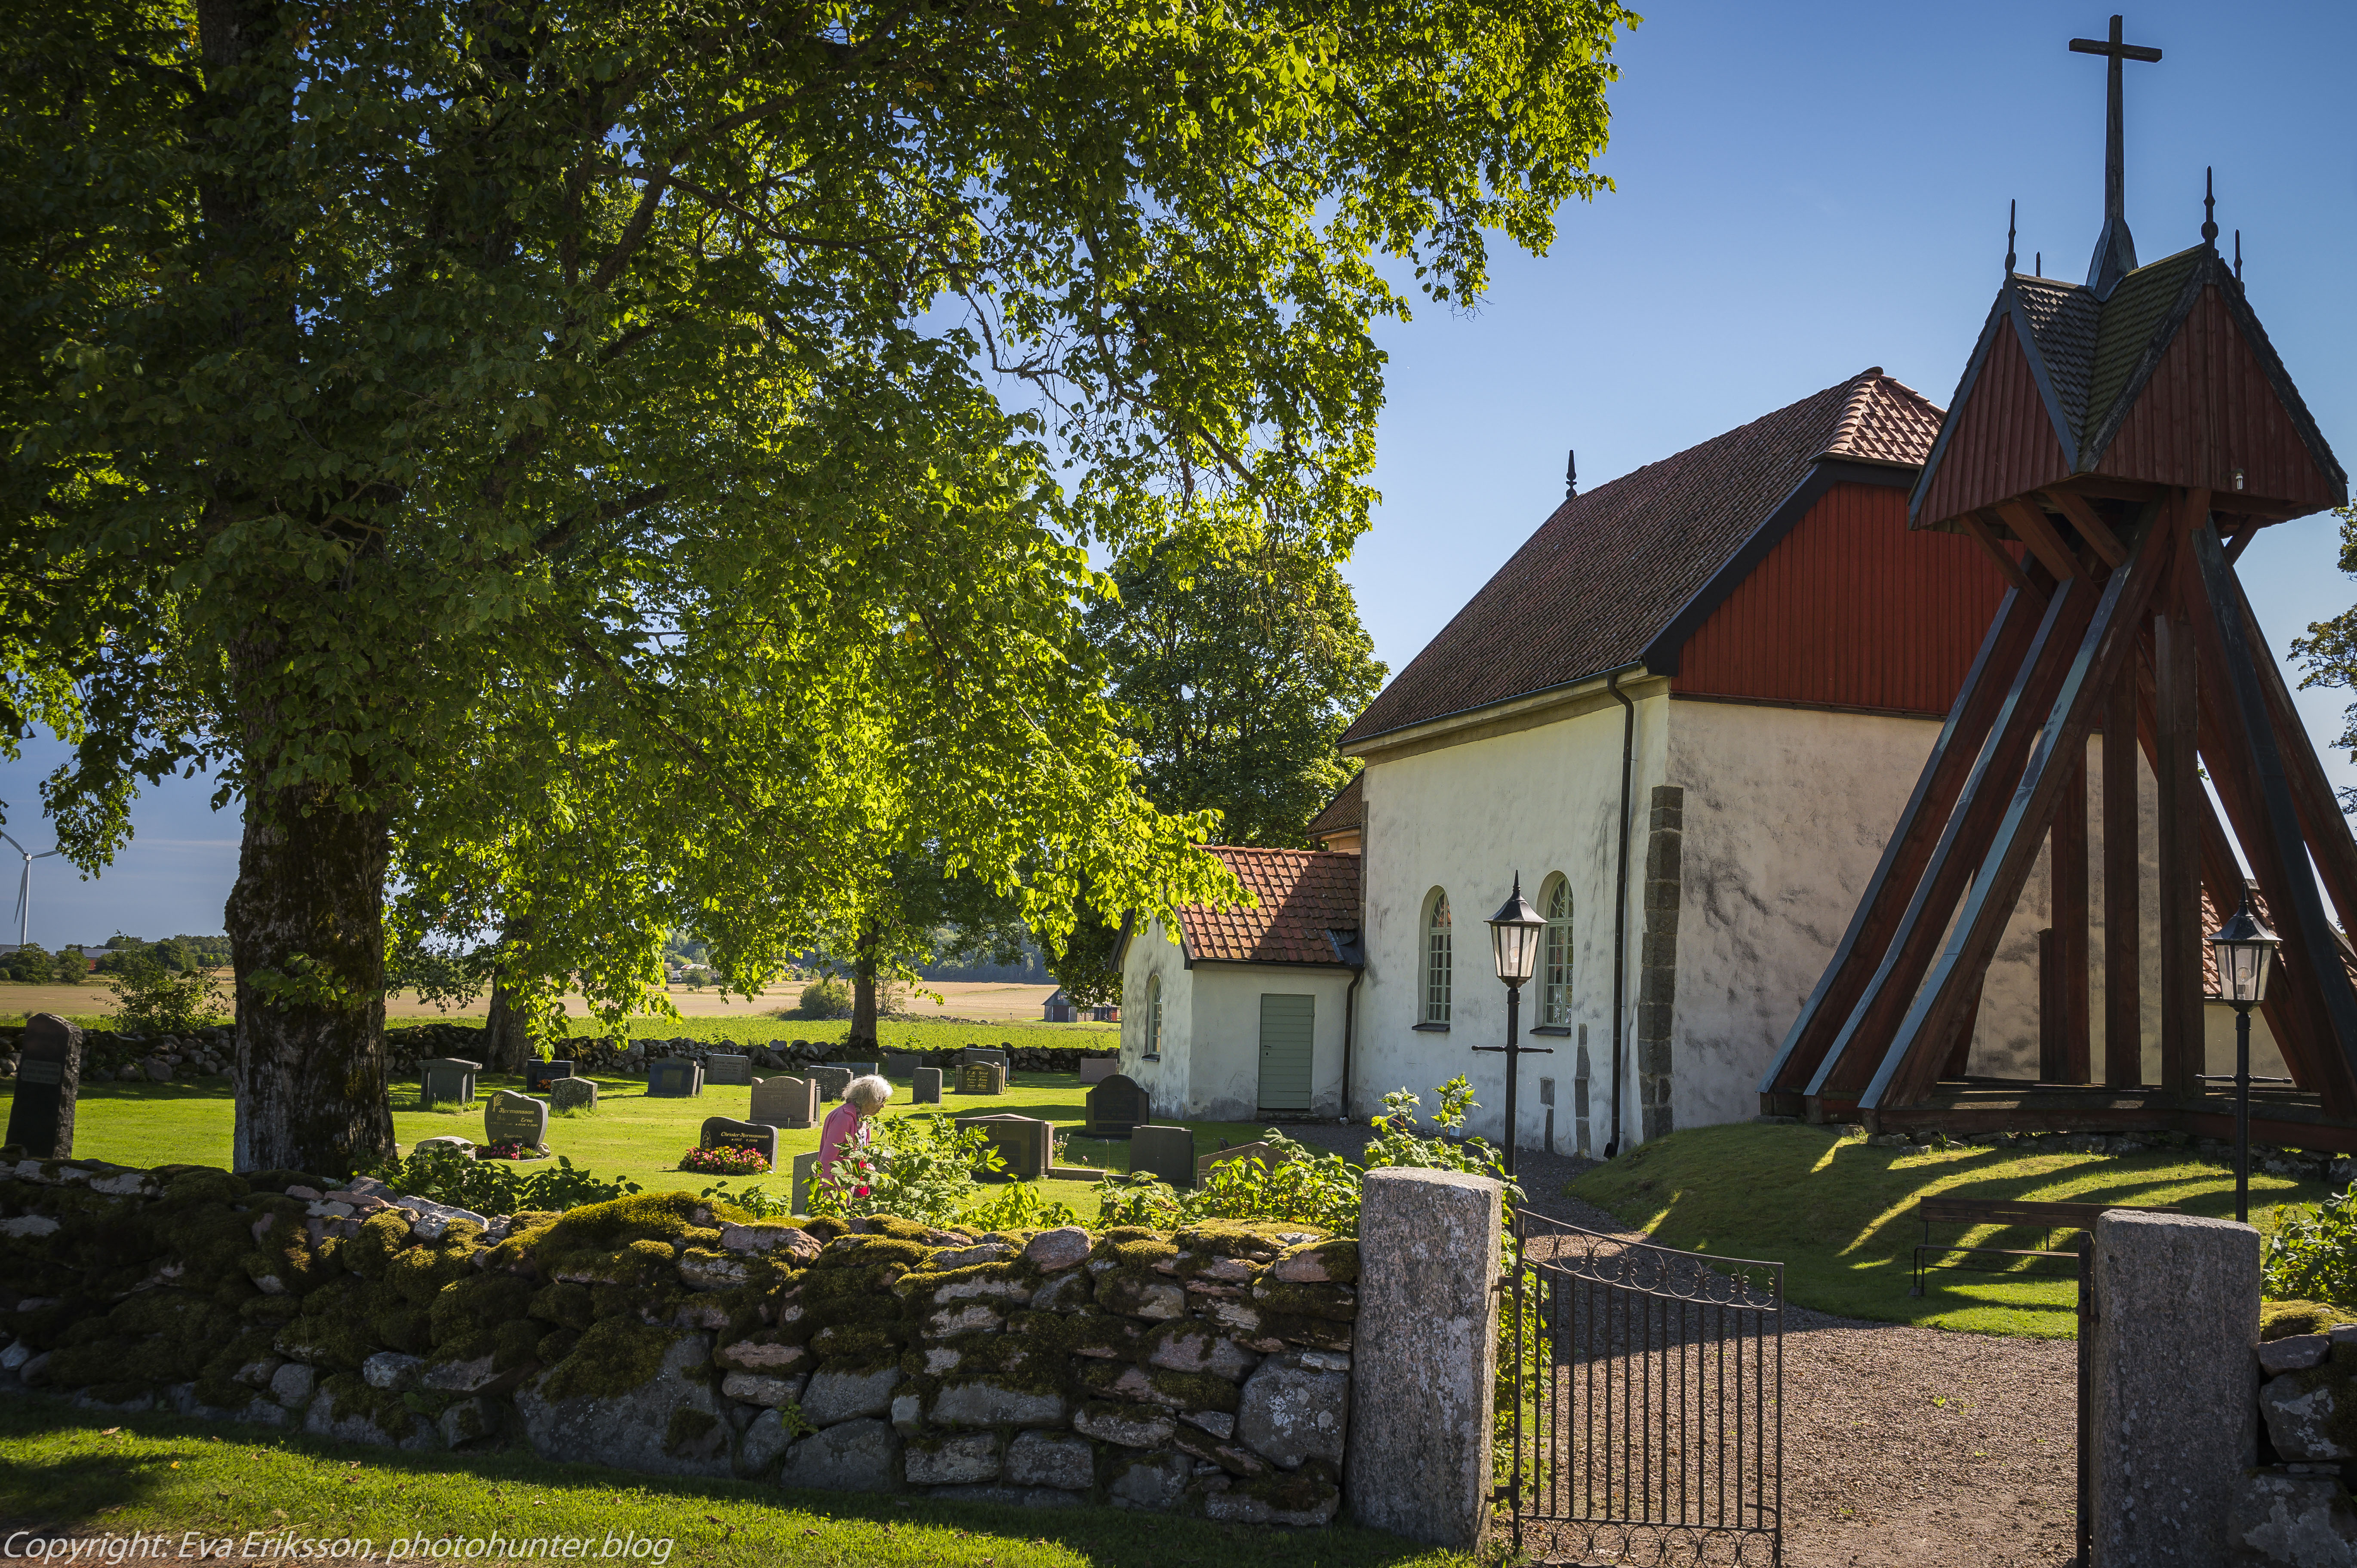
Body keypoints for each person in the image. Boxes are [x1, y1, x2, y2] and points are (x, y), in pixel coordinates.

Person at [818, 1074, 893, 1193]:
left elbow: (862, 1153)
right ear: (869, 1099)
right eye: (881, 1100)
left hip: (852, 1184)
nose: (883, 1105)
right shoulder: (844, 1117)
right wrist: (823, 1189)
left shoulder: (864, 1119)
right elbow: (829, 1157)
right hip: (837, 1187)